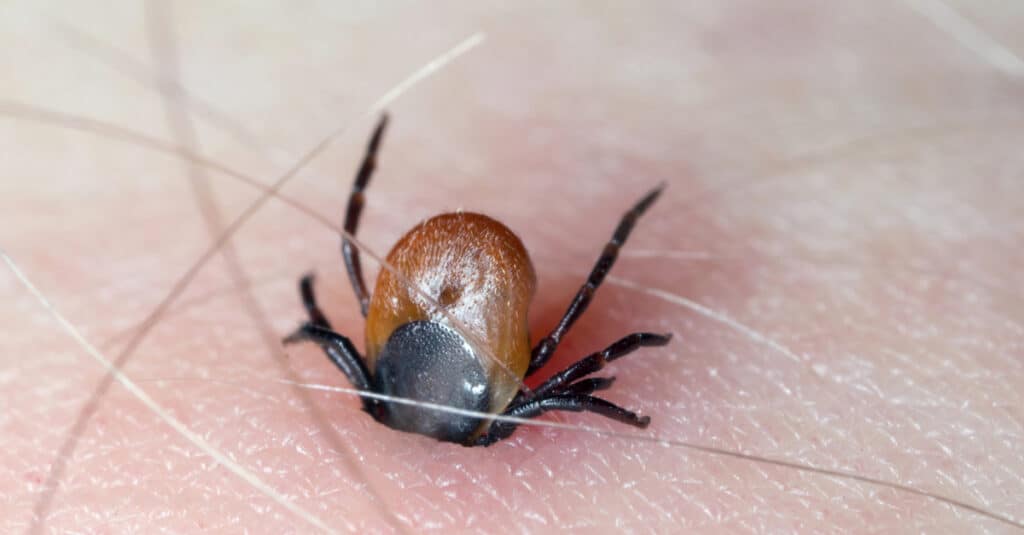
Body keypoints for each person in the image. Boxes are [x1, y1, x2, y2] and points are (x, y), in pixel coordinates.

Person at [3, 2, 1021, 532]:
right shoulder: (471, 393)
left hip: (457, 306)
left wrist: (319, 326)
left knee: (359, 274)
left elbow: (340, 316)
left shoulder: (424, 385)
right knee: (503, 306)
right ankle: (617, 232)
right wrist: (610, 383)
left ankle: (609, 229)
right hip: (469, 311)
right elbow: (576, 348)